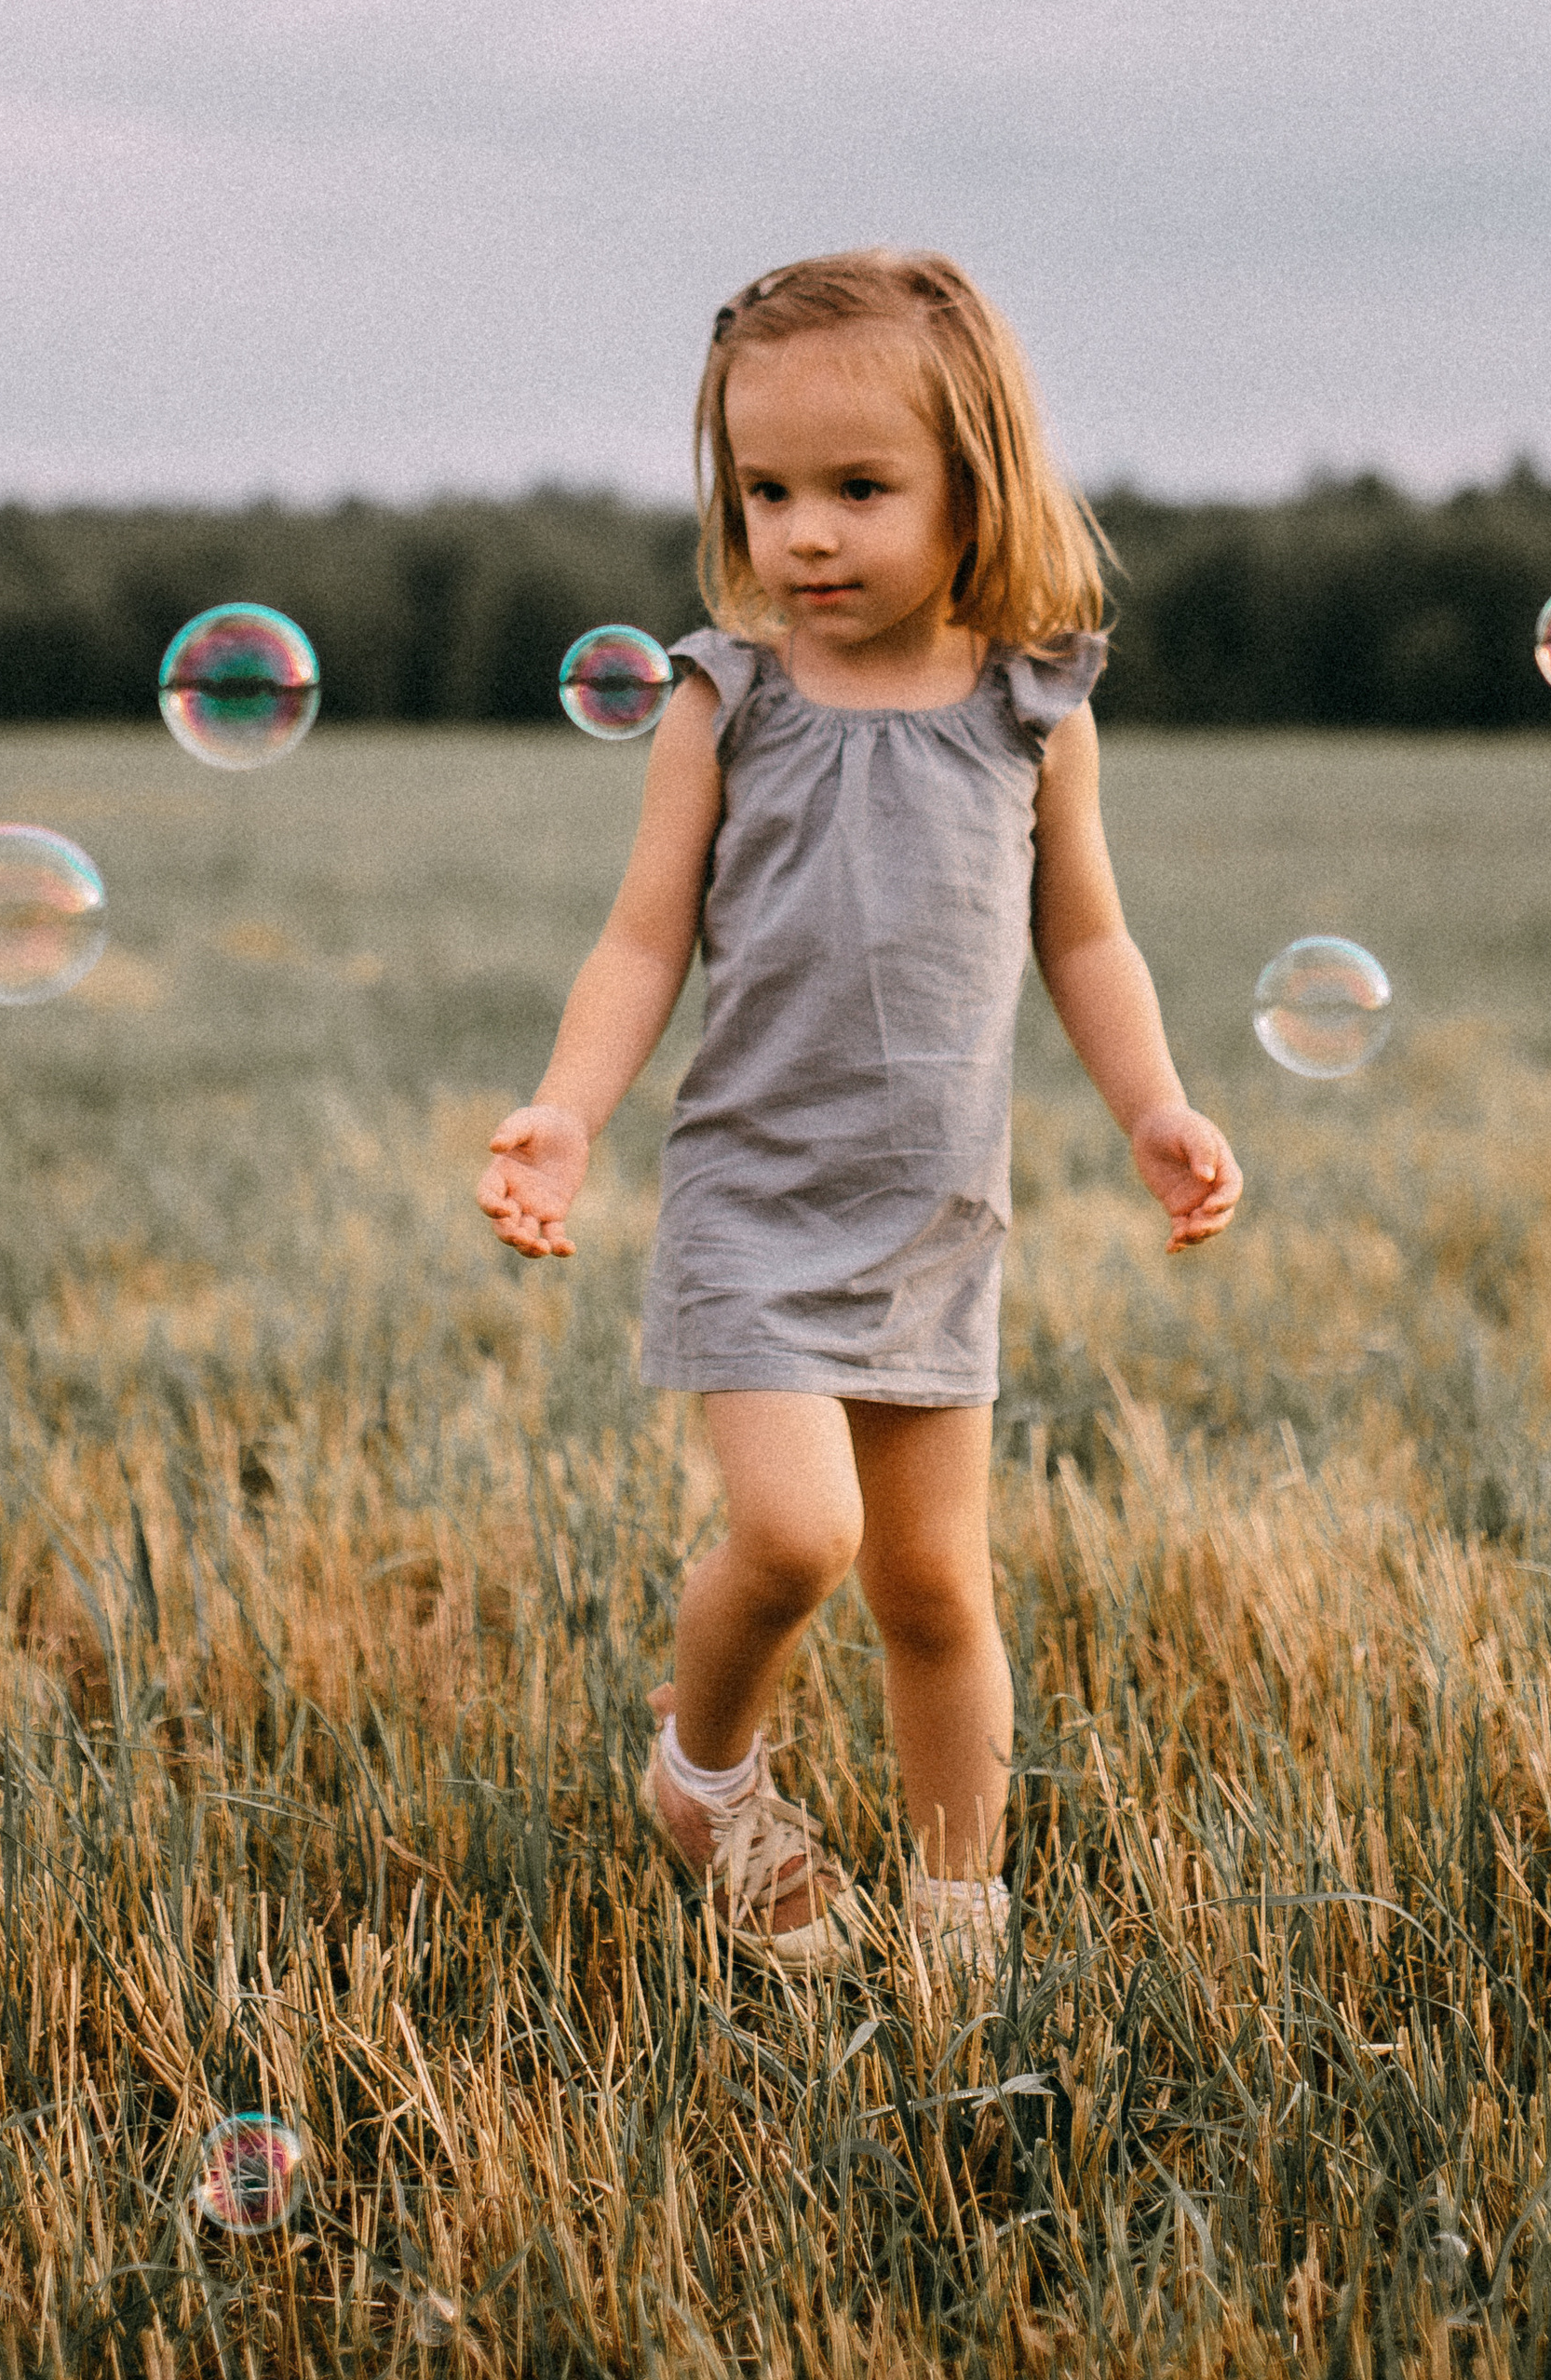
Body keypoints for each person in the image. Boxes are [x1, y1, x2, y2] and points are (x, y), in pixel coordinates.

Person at [476, 249, 1240, 1985]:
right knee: (802, 1536)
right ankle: (708, 1779)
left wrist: (1157, 1106)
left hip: (935, 1221)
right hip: (752, 1202)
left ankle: (962, 1923)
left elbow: (1088, 934)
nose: (802, 535)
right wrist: (566, 1113)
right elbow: (643, 933)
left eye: (858, 490)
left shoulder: (1030, 706)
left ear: (978, 484)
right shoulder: (724, 698)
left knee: (935, 1589)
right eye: (765, 492)